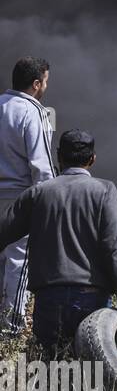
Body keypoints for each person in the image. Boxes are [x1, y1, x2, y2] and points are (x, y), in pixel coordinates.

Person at [0, 128, 117, 357]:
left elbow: (3, 232)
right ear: (92, 159)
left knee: (50, 372)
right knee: (90, 374)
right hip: (91, 299)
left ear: (58, 156)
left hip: (48, 299)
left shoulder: (39, 193)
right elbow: (115, 248)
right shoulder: (104, 191)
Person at [0, 57, 55, 333]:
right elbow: (42, 166)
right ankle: (11, 328)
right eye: (45, 81)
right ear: (36, 84)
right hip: (19, 199)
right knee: (18, 263)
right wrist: (52, 201)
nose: (46, 86)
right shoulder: (32, 112)